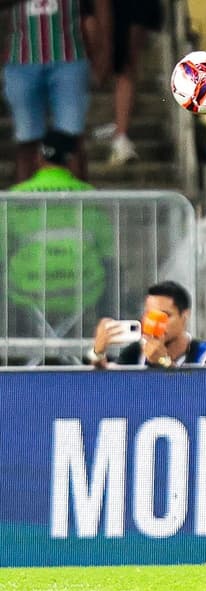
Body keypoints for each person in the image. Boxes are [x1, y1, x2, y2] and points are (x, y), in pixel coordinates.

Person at [3, 130, 114, 364]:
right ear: (72, 160)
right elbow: (108, 255)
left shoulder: (14, 197)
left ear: (38, 158)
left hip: (28, 292)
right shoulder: (91, 197)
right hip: (82, 290)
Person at [2, 0, 110, 182]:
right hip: (20, 62)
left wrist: (104, 51)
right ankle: (25, 205)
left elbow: (100, 7)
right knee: (27, 139)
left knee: (72, 139)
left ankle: (80, 204)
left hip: (69, 58)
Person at [84, 1, 164, 165]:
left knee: (127, 63)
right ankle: (117, 130)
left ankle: (120, 135)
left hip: (130, 10)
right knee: (89, 27)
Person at [87, 280, 206, 369]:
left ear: (184, 316)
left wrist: (164, 363)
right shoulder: (136, 353)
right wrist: (98, 353)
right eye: (150, 315)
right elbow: (107, 387)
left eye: (164, 316)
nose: (155, 323)